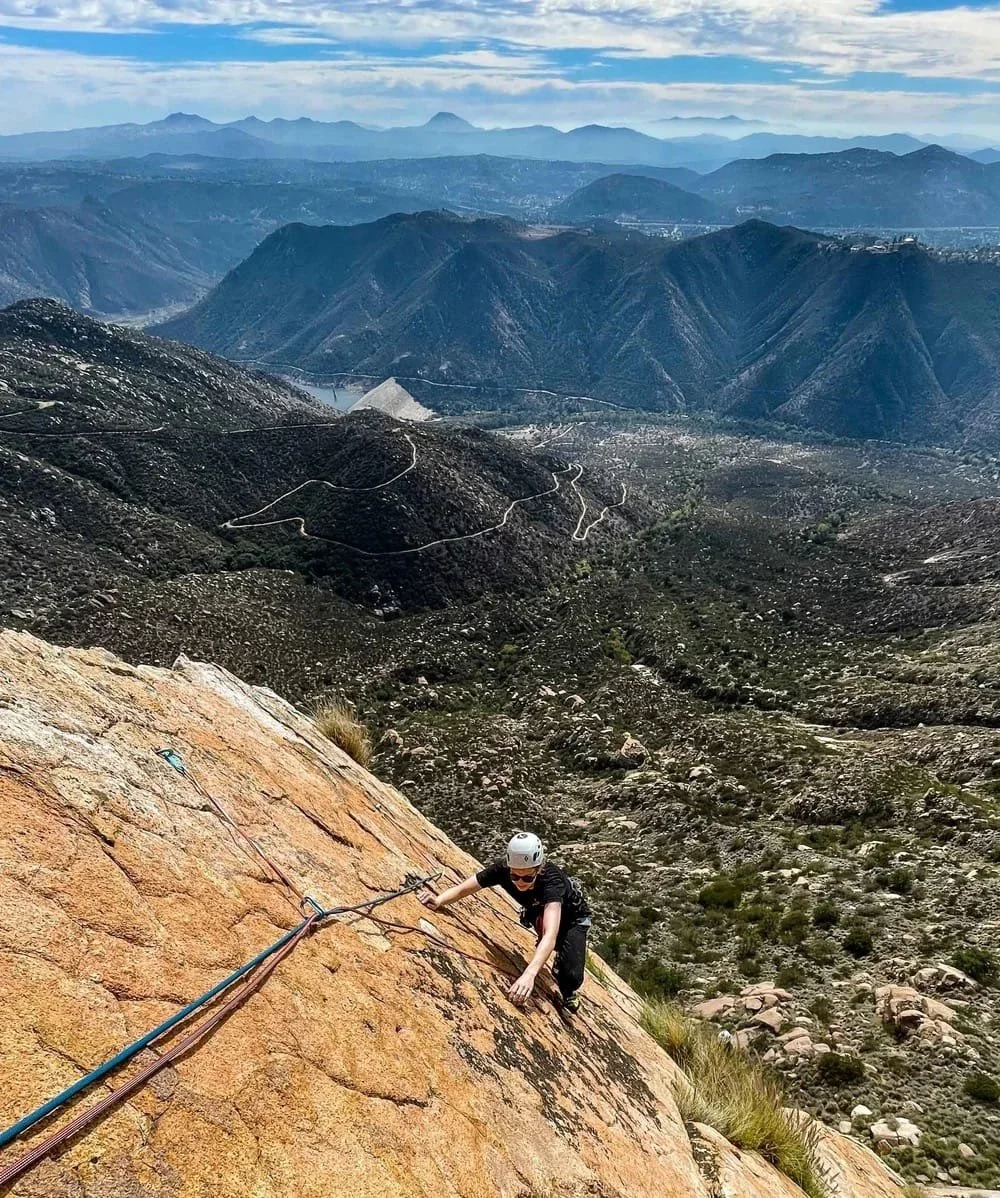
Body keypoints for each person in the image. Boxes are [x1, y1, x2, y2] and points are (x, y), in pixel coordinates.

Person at [420, 831, 591, 1013]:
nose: (520, 882)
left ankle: (569, 988)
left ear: (538, 869)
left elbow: (550, 934)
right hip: (538, 911)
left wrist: (529, 975)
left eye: (527, 878)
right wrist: (439, 900)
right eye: (515, 876)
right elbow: (464, 889)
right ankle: (559, 953)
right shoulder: (503, 870)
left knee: (571, 975)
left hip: (573, 919)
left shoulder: (551, 882)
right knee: (549, 938)